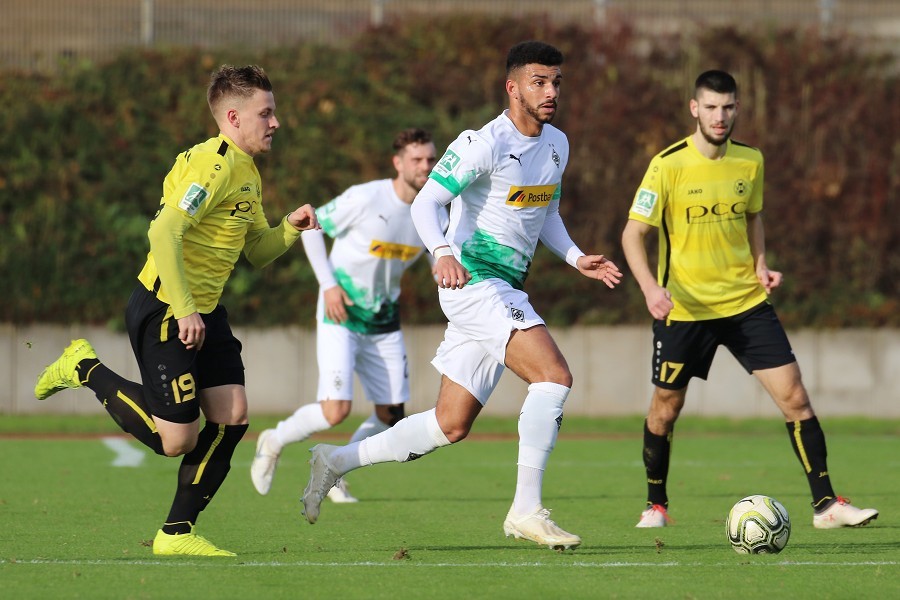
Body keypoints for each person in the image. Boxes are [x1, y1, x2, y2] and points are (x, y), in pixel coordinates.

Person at [299, 41, 622, 551]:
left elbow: (547, 214)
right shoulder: (483, 142)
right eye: (539, 81)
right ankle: (526, 509)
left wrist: (576, 257)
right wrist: (444, 251)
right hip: (473, 282)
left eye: (557, 81)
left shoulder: (558, 144)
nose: (551, 91)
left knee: (449, 425)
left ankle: (335, 461)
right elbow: (429, 201)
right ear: (513, 87)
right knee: (554, 375)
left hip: (505, 287)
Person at [33, 64, 319, 556]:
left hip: (204, 311)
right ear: (233, 116)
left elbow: (257, 251)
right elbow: (164, 232)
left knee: (233, 418)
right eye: (266, 113)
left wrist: (290, 227)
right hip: (168, 307)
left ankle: (175, 533)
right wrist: (185, 309)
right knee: (176, 441)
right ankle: (83, 366)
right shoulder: (214, 164)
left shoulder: (246, 172)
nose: (276, 123)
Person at [621, 69, 879, 529]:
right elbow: (632, 235)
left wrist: (760, 264)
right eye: (712, 107)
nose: (721, 117)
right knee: (665, 406)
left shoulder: (750, 161)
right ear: (694, 109)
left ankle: (826, 505)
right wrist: (649, 289)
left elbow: (753, 217)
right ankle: (655, 504)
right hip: (686, 310)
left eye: (729, 107)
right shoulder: (667, 164)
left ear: (737, 109)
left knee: (796, 398)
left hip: (745, 305)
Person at [250, 128, 442, 502]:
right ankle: (274, 439)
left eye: (431, 159)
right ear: (398, 163)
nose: (425, 166)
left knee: (391, 415)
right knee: (336, 410)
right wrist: (328, 285)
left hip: (384, 321)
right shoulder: (366, 197)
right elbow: (309, 226)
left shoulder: (431, 209)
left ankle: (334, 468)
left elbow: (440, 255)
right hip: (341, 313)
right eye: (417, 160)